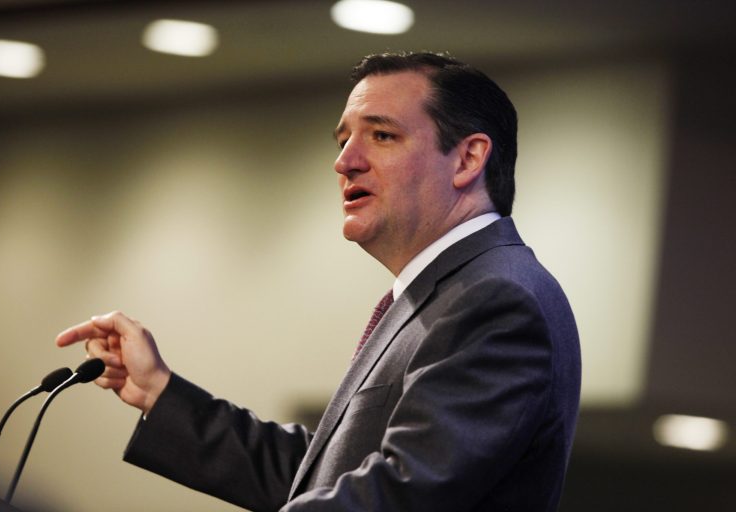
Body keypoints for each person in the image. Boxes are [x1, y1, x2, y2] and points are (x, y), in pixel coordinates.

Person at [56, 52, 581, 512]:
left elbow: (400, 495)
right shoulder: (447, 294)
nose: (344, 162)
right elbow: (321, 478)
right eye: (344, 139)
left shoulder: (495, 298)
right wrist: (158, 391)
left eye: (381, 135)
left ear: (467, 158)